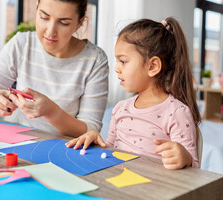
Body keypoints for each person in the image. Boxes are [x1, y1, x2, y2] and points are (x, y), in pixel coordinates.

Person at [0, 0, 109, 138]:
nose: (50, 31)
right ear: (36, 9)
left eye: (63, 23)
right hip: (22, 143)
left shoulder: (95, 60)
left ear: (79, 23)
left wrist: (51, 111)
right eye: (44, 17)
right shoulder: (21, 45)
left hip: (68, 150)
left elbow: (91, 129)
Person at [66, 18, 201, 169]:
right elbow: (111, 151)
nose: (117, 68)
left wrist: (184, 157)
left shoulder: (176, 112)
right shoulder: (120, 108)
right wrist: (96, 142)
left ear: (153, 66)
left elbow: (194, 168)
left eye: (123, 61)